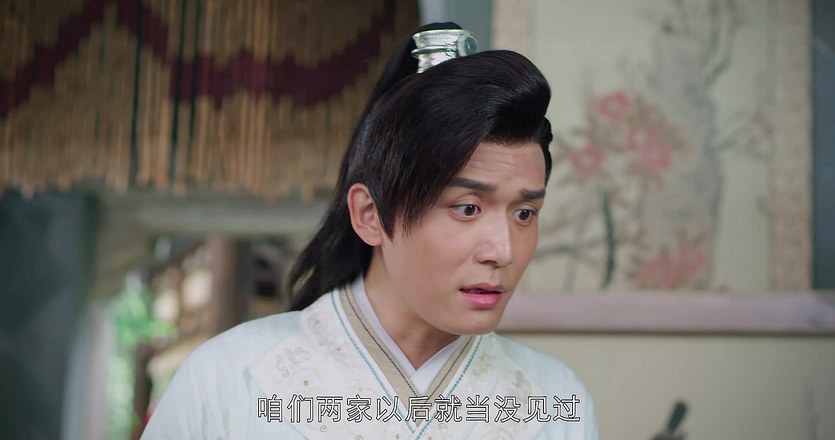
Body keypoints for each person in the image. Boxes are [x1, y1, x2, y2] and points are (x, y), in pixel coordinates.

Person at [142, 23, 598, 439]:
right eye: (467, 208)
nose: (503, 250)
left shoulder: (556, 402)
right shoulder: (226, 379)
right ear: (370, 214)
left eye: (525, 214)